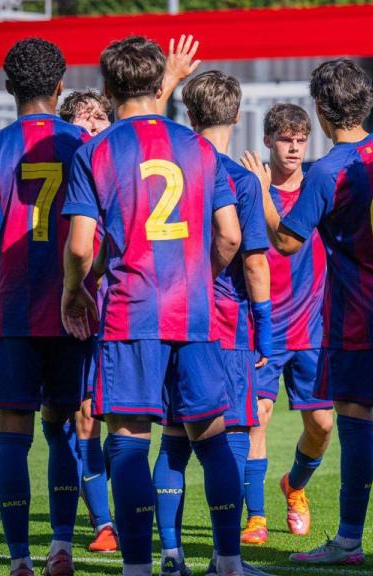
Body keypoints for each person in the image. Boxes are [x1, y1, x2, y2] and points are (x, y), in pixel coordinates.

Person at [59, 35, 253, 576]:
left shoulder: (95, 150)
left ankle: (138, 567)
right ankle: (230, 561)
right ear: (159, 82)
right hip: (194, 313)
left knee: (127, 444)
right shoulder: (200, 149)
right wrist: (198, 276)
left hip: (130, 313)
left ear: (106, 87)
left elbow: (79, 245)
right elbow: (231, 237)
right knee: (213, 439)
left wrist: (75, 290)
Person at [243, 58, 373, 567]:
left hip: (354, 313)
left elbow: (285, 241)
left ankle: (348, 541)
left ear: (323, 111)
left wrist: (262, 192)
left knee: (354, 417)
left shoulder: (328, 169)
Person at [0, 37, 91, 576]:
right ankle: (61, 546)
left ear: (9, 88)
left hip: (11, 310)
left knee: (13, 435)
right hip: (71, 309)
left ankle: (18, 561)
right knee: (62, 429)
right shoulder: (86, 143)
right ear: (61, 87)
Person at [152, 70, 273, 576]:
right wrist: (263, 327)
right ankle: (228, 560)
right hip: (222, 317)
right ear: (237, 116)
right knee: (232, 433)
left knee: (175, 438)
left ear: (192, 115)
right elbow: (253, 261)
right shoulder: (240, 178)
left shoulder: (169, 164)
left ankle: (171, 554)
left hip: (164, 311)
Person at [241, 103, 331, 546]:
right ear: (267, 141)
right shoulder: (248, 186)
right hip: (264, 329)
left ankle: (294, 487)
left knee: (323, 425)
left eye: (300, 139)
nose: (294, 147)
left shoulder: (319, 184)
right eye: (285, 139)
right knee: (257, 417)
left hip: (313, 329)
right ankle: (255, 518)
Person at [56, 88, 118, 554]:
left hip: (120, 306)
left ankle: (107, 504)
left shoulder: (119, 168)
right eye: (84, 119)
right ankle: (103, 523)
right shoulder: (67, 171)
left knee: (121, 420)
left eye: (100, 118)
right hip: (75, 308)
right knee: (83, 417)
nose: (93, 126)